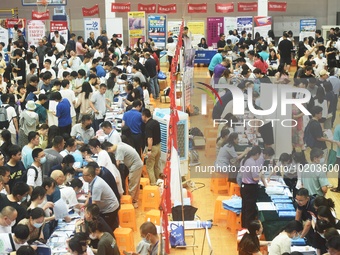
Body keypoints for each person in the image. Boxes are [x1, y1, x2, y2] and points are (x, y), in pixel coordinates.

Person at [82, 165, 119, 231]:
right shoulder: (93, 180)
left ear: (90, 176)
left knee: (104, 229)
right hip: (105, 206)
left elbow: (94, 204)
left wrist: (86, 213)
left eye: (83, 175)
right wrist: (85, 204)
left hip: (109, 209)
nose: (82, 177)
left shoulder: (97, 185)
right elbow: (90, 193)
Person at [240, 146, 267, 228]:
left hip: (244, 186)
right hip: (250, 188)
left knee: (245, 207)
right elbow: (255, 178)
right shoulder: (252, 163)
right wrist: (261, 173)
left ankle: (244, 226)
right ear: (257, 154)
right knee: (250, 209)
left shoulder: (246, 160)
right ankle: (249, 228)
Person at [111, 141, 143, 208]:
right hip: (136, 164)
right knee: (135, 183)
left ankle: (130, 203)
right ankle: (134, 201)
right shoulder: (119, 144)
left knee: (132, 185)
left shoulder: (119, 149)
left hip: (135, 165)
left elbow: (117, 163)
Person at [142, 109, 161, 185]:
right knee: (156, 166)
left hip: (152, 148)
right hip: (158, 146)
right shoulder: (156, 122)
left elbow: (150, 139)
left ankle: (153, 184)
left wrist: (149, 150)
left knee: (150, 167)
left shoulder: (148, 126)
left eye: (142, 116)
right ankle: (159, 182)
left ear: (145, 116)